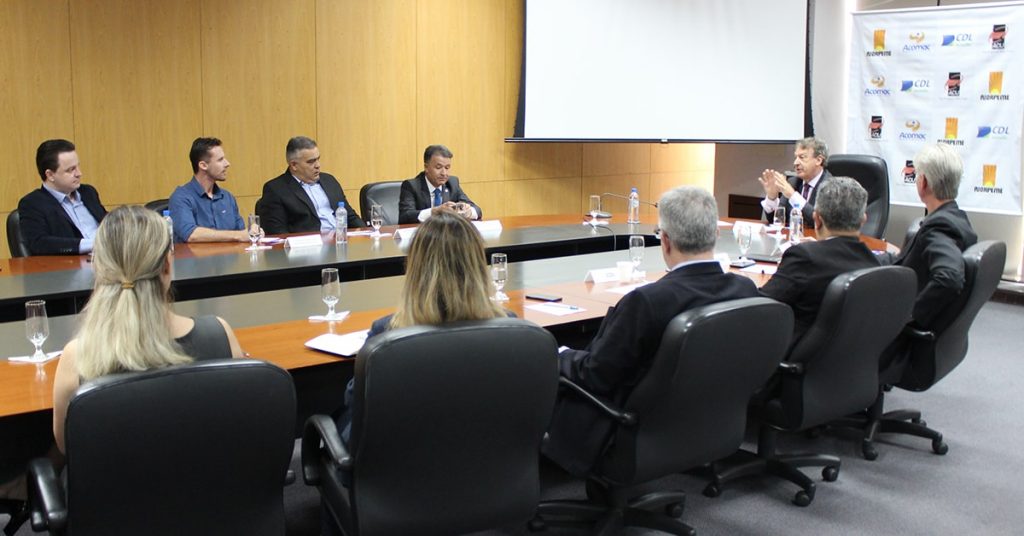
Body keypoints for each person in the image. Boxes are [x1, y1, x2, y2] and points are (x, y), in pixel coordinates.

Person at [543, 186, 759, 476]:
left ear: (665, 241)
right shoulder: (745, 289)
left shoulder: (647, 302)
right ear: (716, 235)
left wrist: (558, 353)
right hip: (701, 417)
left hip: (630, 423)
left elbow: (595, 375)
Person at [52, 205, 245, 453]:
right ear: (167, 266)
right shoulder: (220, 334)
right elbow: (238, 422)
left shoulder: (78, 356)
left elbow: (68, 447)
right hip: (214, 488)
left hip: (117, 492)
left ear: (98, 269)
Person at [335, 208, 508, 442]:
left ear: (414, 266)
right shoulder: (510, 326)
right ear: (478, 262)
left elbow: (356, 399)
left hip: (400, 468)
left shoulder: (388, 334)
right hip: (490, 461)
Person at [760, 177, 880, 347]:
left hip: (796, 361)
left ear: (817, 219)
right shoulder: (877, 262)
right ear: (863, 220)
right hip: (853, 364)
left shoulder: (805, 258)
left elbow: (761, 305)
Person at [878, 143, 977, 331]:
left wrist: (909, 317)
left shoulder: (940, 227)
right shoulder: (957, 217)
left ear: (923, 182)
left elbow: (949, 278)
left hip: (900, 328)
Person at [257, 136, 365, 235]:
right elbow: (277, 233)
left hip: (341, 243)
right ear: (294, 165)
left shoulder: (329, 181)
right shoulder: (276, 189)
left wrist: (368, 235)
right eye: (311, 162)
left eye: (318, 159)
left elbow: (350, 217)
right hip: (308, 250)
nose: (318, 165)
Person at [17, 139, 108, 255]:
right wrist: (92, 244)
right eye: (71, 170)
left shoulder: (88, 192)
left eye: (78, 166)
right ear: (50, 175)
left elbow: (108, 223)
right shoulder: (32, 204)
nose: (79, 173)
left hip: (109, 259)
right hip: (74, 266)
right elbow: (39, 243)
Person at [168, 137, 250, 243]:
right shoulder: (181, 197)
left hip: (228, 258)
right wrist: (237, 235)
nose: (227, 163)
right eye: (220, 160)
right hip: (195, 259)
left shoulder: (227, 197)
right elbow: (191, 234)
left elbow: (242, 232)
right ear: (203, 165)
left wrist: (251, 231)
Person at [759, 136, 833, 228]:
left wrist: (793, 195)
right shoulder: (793, 182)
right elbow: (776, 221)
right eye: (796, 157)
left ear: (818, 160)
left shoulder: (831, 186)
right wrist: (772, 197)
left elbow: (821, 223)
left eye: (802, 157)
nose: (795, 162)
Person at [398, 145, 482, 224]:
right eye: (438, 167)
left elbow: (477, 210)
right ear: (426, 167)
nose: (444, 173)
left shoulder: (452, 183)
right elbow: (405, 216)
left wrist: (468, 212)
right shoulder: (411, 186)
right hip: (423, 235)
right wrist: (435, 211)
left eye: (447, 168)